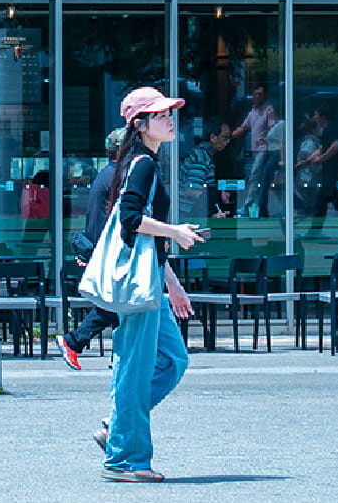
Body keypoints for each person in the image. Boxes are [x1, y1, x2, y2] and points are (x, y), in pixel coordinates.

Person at [95, 87, 199, 484]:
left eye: (169, 113)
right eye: (160, 115)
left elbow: (141, 231)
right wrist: (175, 231)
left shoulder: (141, 161)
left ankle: (115, 427)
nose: (170, 119)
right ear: (140, 124)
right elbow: (131, 220)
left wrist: (170, 280)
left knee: (172, 360)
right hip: (140, 284)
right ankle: (125, 459)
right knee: (135, 370)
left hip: (150, 279)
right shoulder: (144, 164)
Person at [62, 127, 127, 371]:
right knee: (116, 305)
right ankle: (74, 341)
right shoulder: (116, 177)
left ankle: (117, 354)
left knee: (119, 304)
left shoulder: (106, 174)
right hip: (109, 251)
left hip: (102, 250)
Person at [296, 106, 338, 231]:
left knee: (323, 204)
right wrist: (307, 162)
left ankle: (314, 232)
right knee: (336, 205)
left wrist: (322, 159)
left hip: (334, 176)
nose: (314, 117)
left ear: (323, 116)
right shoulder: (326, 131)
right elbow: (321, 149)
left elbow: (336, 146)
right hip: (330, 176)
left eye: (316, 114)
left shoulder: (332, 129)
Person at [235, 86, 279, 217]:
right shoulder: (253, 111)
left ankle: (247, 206)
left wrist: (265, 139)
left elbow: (273, 127)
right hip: (255, 150)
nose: (256, 97)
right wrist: (229, 137)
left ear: (265, 96)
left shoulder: (268, 110)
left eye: (259, 94)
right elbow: (244, 127)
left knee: (254, 176)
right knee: (265, 178)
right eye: (254, 94)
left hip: (264, 150)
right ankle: (264, 207)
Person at [179, 117, 233, 221]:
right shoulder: (201, 158)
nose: (228, 141)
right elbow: (192, 190)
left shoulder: (204, 154)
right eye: (225, 137)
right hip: (188, 215)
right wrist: (218, 193)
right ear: (213, 137)